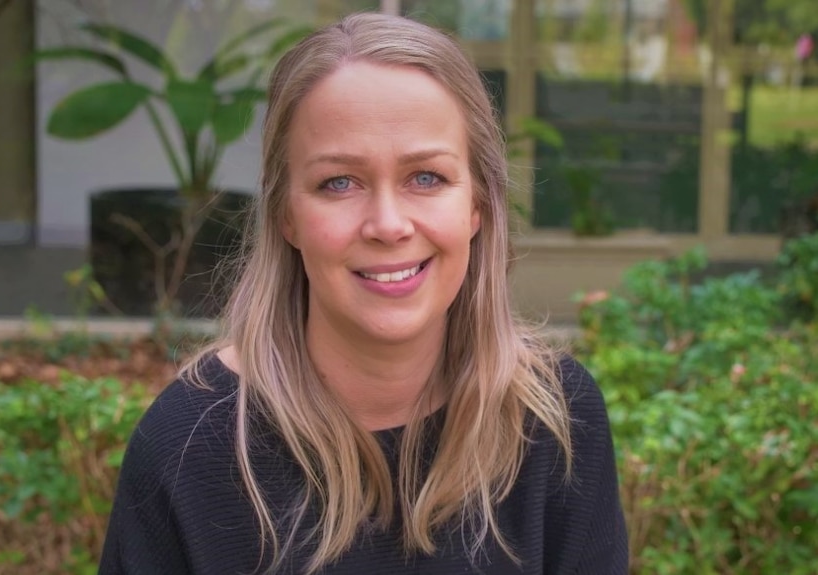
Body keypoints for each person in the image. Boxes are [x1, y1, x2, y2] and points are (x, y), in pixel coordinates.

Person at [99, 12, 628, 575]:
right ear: (286, 216)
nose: (388, 224)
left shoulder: (557, 419)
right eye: (339, 182)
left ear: (478, 204)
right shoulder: (187, 446)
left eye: (426, 177)